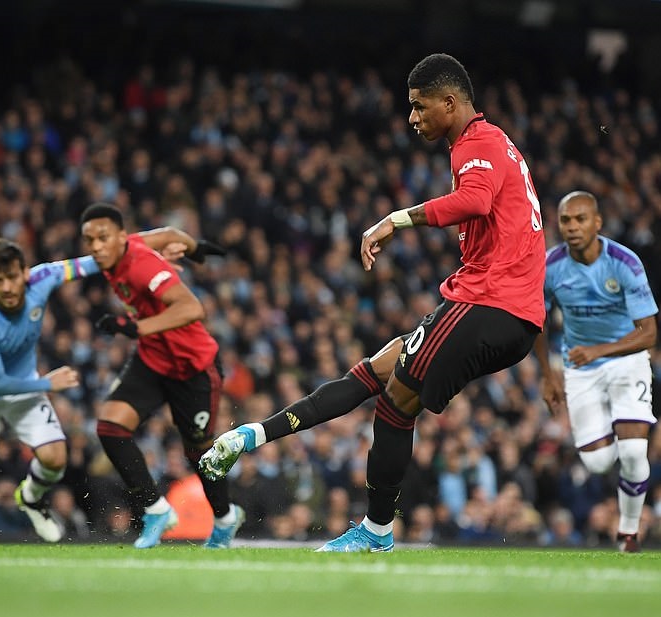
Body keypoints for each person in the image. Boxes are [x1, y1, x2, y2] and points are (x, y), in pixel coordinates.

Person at [200, 53, 546, 552]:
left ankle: (377, 531)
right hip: (500, 306)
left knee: (394, 406)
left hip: (489, 302)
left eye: (419, 106)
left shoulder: (479, 144)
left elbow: (474, 202)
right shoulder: (494, 145)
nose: (412, 117)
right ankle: (251, 437)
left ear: (450, 102)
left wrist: (394, 219)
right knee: (374, 372)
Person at [0, 232, 199, 548]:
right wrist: (47, 383)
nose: (7, 287)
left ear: (25, 273)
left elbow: (97, 260)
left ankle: (31, 498)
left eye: (12, 277)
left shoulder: (44, 277)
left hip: (23, 390)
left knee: (55, 459)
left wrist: (160, 243)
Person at [79, 202, 244, 549]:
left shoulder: (141, 266)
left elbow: (192, 308)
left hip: (193, 367)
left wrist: (133, 326)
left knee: (199, 453)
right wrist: (197, 250)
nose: (95, 246)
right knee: (110, 427)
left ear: (121, 237)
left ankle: (226, 518)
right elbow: (169, 235)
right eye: (89, 239)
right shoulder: (122, 249)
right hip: (153, 360)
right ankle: (156, 510)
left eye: (102, 238)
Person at [533, 191, 657, 553]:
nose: (572, 227)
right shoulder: (550, 266)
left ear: (597, 223)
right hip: (579, 369)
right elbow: (537, 319)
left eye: (581, 219)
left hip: (626, 360)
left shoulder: (624, 263)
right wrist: (547, 373)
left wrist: (599, 351)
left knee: (634, 452)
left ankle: (628, 533)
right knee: (599, 462)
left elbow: (648, 332)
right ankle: (622, 441)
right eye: (566, 220)